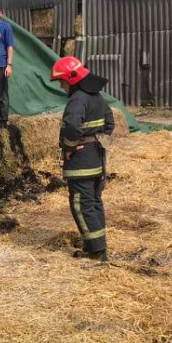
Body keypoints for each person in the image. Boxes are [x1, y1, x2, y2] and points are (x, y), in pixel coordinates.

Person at [50, 56, 114, 261]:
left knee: (81, 204)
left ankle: (95, 252)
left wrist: (69, 146)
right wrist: (95, 139)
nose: (62, 87)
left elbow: (72, 125)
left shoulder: (77, 99)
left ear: (71, 79)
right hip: (96, 159)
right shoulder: (98, 97)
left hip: (81, 162)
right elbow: (110, 123)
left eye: (62, 82)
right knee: (94, 202)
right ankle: (98, 245)